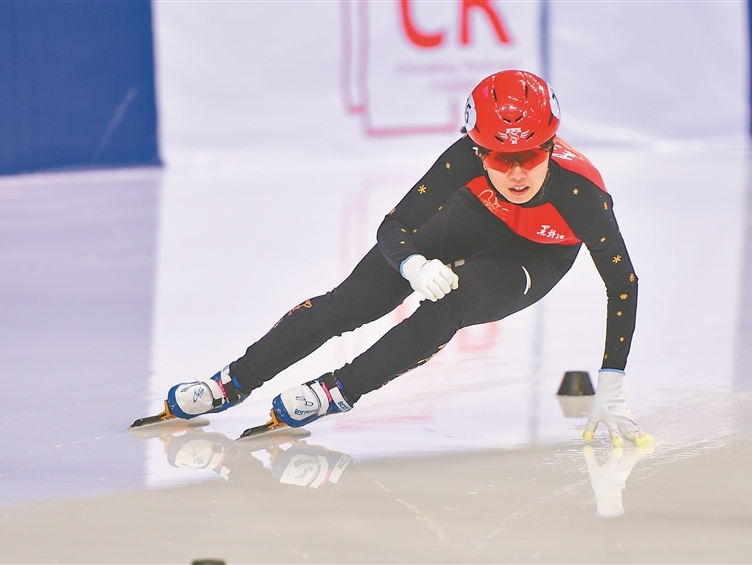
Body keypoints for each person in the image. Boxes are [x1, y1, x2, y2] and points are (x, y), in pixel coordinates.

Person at [165, 70, 653, 447]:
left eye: (531, 154)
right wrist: (412, 264)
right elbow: (393, 227)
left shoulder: (580, 194)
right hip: (474, 215)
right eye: (499, 158)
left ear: (550, 144)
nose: (517, 173)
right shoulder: (462, 158)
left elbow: (622, 283)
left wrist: (611, 381)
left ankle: (338, 390)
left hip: (535, 253)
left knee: (450, 303)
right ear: (477, 150)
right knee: (350, 304)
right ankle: (231, 382)